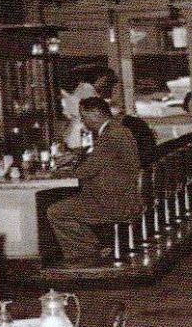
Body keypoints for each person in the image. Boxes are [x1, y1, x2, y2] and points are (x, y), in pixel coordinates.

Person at [48, 97, 145, 264]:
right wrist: (75, 156)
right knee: (65, 207)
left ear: (96, 114)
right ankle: (95, 249)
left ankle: (89, 255)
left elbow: (88, 169)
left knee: (55, 212)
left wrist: (57, 174)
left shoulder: (111, 135)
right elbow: (98, 157)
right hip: (121, 197)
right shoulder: (116, 130)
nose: (83, 121)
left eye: (83, 116)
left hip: (114, 203)